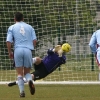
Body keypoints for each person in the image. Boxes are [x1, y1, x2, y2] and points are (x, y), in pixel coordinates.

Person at [6, 12, 37, 97]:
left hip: (18, 50)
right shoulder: (30, 27)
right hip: (28, 50)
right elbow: (34, 41)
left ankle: (22, 92)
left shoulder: (12, 27)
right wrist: (31, 48)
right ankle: (30, 80)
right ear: (23, 18)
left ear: (14, 19)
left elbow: (8, 41)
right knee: (27, 72)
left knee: (19, 73)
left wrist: (10, 52)